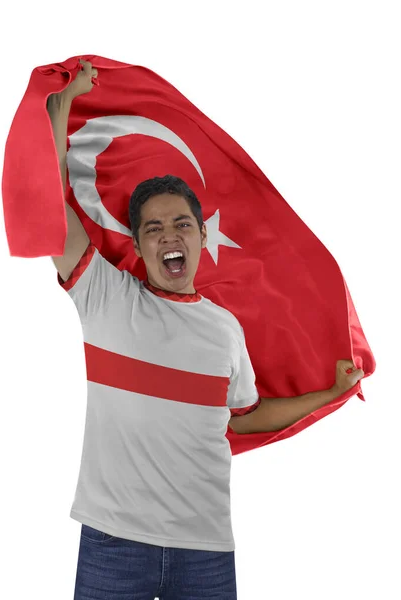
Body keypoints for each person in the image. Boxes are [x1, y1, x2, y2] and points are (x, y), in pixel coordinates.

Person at [47, 60, 364, 600]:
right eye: (154, 227)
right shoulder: (103, 296)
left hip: (206, 550)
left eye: (182, 224)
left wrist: (328, 393)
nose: (169, 235)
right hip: (114, 546)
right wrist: (60, 110)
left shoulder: (224, 330)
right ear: (139, 242)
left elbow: (243, 420)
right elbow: (50, 212)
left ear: (199, 236)